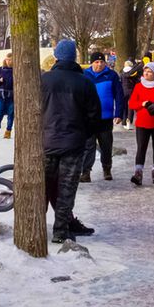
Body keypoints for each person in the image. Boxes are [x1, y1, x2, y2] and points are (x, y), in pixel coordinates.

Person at [41, 40, 101, 243]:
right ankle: (61, 230)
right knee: (66, 189)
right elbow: (94, 115)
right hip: (73, 144)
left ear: (56, 57)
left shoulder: (44, 80)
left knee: (44, 186)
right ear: (75, 57)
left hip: (46, 142)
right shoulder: (84, 82)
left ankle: (39, 228)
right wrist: (84, 134)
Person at [81, 51, 125, 182]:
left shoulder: (111, 75)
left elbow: (119, 95)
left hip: (105, 117)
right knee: (88, 146)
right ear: (92, 63)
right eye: (96, 62)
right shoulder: (84, 75)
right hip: (88, 118)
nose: (99, 64)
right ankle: (86, 172)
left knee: (106, 145)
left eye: (101, 62)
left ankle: (106, 169)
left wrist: (118, 113)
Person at [120, 59, 141, 130]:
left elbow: (121, 81)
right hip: (132, 91)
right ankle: (129, 121)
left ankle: (123, 121)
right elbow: (137, 81)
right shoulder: (134, 72)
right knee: (131, 106)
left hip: (123, 90)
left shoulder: (122, 72)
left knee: (124, 106)